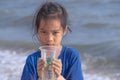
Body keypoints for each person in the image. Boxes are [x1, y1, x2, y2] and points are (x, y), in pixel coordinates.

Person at [21, 1, 84, 80]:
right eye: (44, 32)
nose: (49, 38)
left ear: (64, 31)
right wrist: (41, 78)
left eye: (55, 32)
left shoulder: (71, 56)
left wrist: (58, 77)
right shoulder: (32, 61)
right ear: (37, 30)